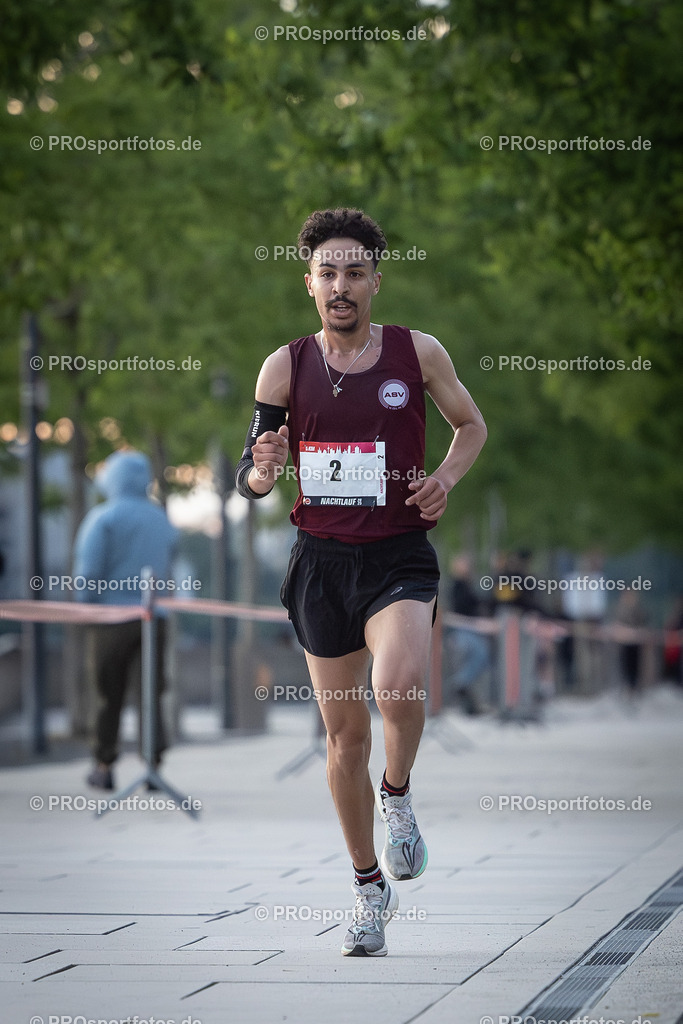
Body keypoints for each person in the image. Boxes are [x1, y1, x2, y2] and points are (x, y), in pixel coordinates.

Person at [235, 208, 486, 956]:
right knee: (343, 742)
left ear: (376, 279)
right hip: (320, 562)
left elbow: (469, 426)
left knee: (402, 683)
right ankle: (367, 886)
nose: (340, 286)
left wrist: (441, 479)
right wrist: (262, 467)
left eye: (353, 272)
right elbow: (250, 473)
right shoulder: (284, 366)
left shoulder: (417, 353)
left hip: (397, 555)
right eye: (327, 273)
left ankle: (399, 794)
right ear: (308, 282)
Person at [73, 450, 178, 790]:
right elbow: (169, 569)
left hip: (110, 618)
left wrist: (85, 608)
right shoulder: (160, 519)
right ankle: (153, 765)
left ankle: (104, 765)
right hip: (153, 617)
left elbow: (88, 572)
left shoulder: (103, 518)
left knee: (107, 692)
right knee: (150, 691)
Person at [445, 553, 489, 714]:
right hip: (463, 628)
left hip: (468, 627)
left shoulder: (466, 585)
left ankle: (465, 690)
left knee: (478, 659)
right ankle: (460, 683)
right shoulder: (457, 586)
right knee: (480, 655)